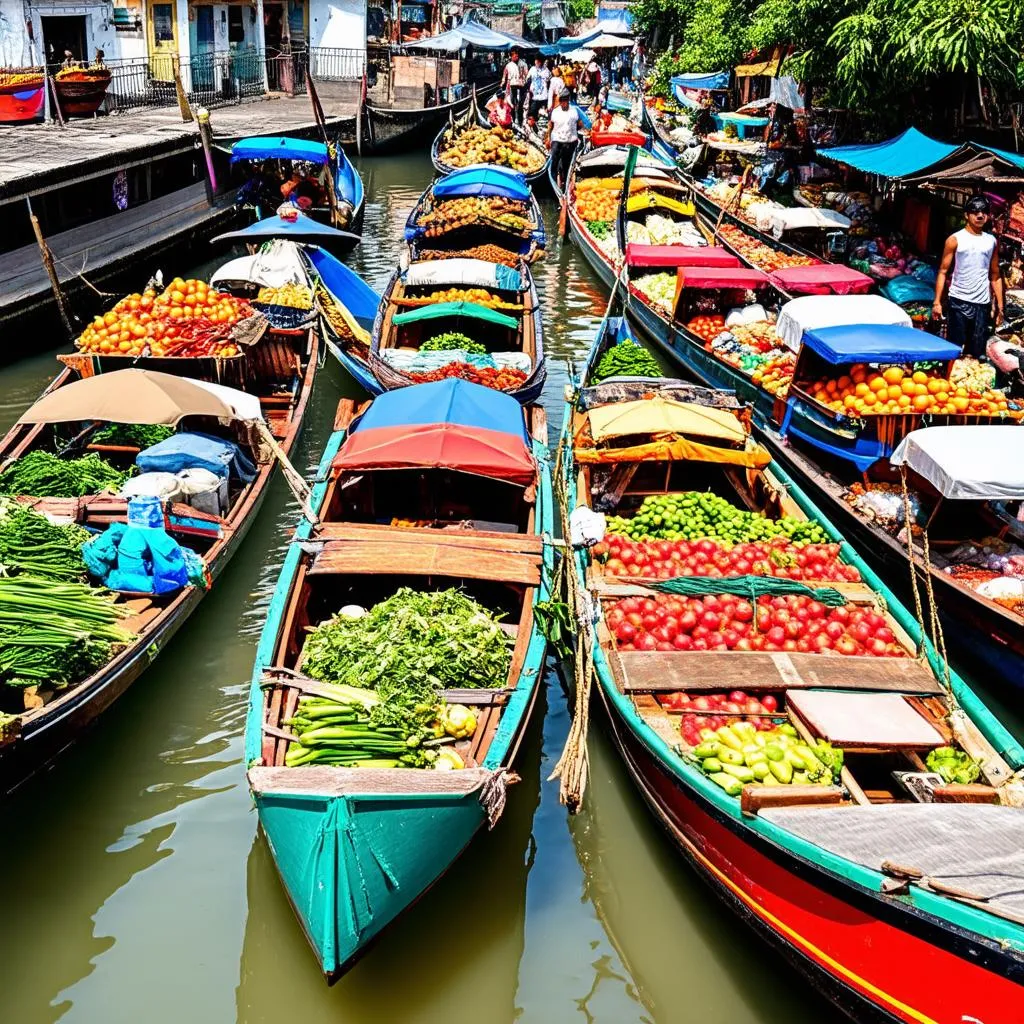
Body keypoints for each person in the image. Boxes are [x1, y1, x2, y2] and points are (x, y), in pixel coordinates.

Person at [932, 194, 1004, 357]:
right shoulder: (955, 239)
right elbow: (943, 271)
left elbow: (995, 275)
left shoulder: (991, 241)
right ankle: (948, 378)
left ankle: (971, 380)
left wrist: (1000, 306)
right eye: (975, 211)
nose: (980, 215)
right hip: (958, 301)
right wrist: (937, 302)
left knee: (977, 350)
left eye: (984, 211)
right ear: (966, 215)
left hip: (981, 304)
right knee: (954, 348)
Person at [546, 92, 585, 192]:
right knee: (554, 164)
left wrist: (583, 129)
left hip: (570, 142)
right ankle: (554, 186)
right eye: (562, 102)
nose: (564, 104)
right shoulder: (555, 112)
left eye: (565, 101)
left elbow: (580, 124)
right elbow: (550, 126)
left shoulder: (574, 111)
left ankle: (565, 186)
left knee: (567, 165)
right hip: (557, 141)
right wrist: (548, 138)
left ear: (568, 101)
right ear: (560, 102)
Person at [501, 49, 528, 124]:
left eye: (517, 55)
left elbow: (527, 75)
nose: (516, 57)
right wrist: (502, 83)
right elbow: (504, 75)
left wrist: (525, 82)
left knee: (520, 104)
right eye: (514, 56)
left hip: (521, 86)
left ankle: (520, 120)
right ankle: (512, 119)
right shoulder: (508, 65)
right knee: (512, 103)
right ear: (511, 56)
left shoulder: (523, 64)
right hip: (512, 86)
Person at [526, 55, 549, 122]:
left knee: (544, 115)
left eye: (538, 61)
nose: (536, 62)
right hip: (534, 96)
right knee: (532, 114)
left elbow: (548, 81)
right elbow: (527, 79)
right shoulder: (532, 69)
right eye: (536, 61)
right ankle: (534, 126)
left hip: (544, 96)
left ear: (541, 62)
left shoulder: (546, 70)